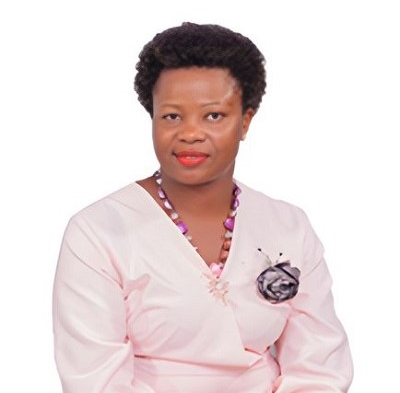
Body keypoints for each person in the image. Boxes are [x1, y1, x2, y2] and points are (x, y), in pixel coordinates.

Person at [53, 22, 353, 392]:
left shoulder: (289, 226)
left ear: (245, 122)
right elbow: (95, 381)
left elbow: (318, 368)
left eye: (213, 115)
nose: (190, 133)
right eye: (172, 116)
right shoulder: (97, 232)